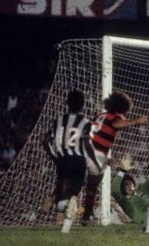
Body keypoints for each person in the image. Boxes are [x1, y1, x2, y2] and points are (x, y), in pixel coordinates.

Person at [81, 91, 148, 226]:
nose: (125, 116)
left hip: (85, 150)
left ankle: (61, 198)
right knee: (92, 187)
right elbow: (117, 124)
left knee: (80, 181)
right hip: (97, 155)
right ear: (122, 108)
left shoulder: (101, 115)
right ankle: (86, 216)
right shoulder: (116, 117)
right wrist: (136, 121)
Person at [43, 90, 91, 233]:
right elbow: (88, 144)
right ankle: (66, 218)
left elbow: (45, 141)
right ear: (82, 105)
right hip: (79, 161)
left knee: (62, 200)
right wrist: (94, 159)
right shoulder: (86, 122)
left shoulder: (58, 120)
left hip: (63, 160)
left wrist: (54, 157)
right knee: (74, 195)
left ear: (67, 103)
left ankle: (60, 210)